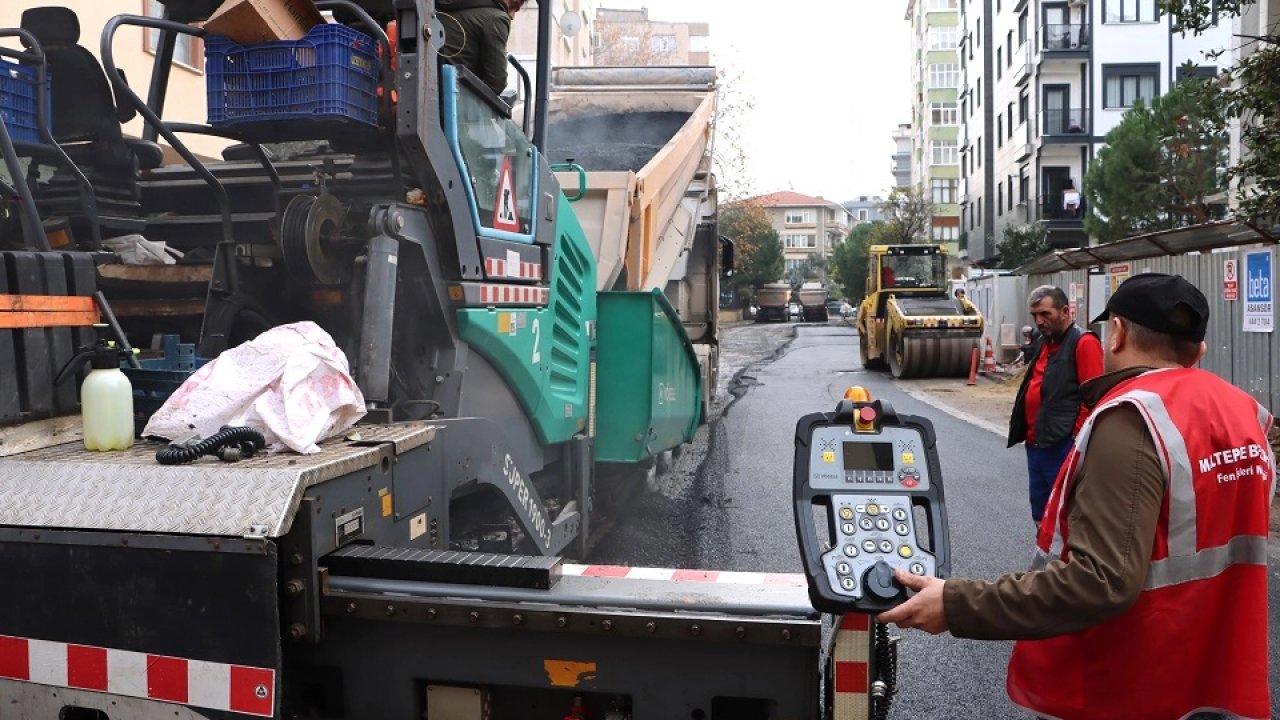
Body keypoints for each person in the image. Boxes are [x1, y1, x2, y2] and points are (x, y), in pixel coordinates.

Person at [880, 273, 1275, 720]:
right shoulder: (1243, 413)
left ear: (1118, 332)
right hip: (1212, 679)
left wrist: (955, 604)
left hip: (1129, 685)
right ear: (1199, 349)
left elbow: (1100, 580)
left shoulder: (1134, 419)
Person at [1008, 285, 1103, 524]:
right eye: (1034, 315)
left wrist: (1075, 440)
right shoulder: (1044, 342)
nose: (1039, 321)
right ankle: (1044, 548)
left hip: (1062, 445)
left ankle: (1065, 550)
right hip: (1036, 443)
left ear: (1065, 311)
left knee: (1065, 514)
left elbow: (1094, 398)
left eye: (1045, 314)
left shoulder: (1084, 342)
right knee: (1041, 513)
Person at [438, 0, 527, 96]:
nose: (512, 16)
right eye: (513, 5)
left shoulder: (444, 6)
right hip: (451, 92)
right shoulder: (496, 18)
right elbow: (496, 83)